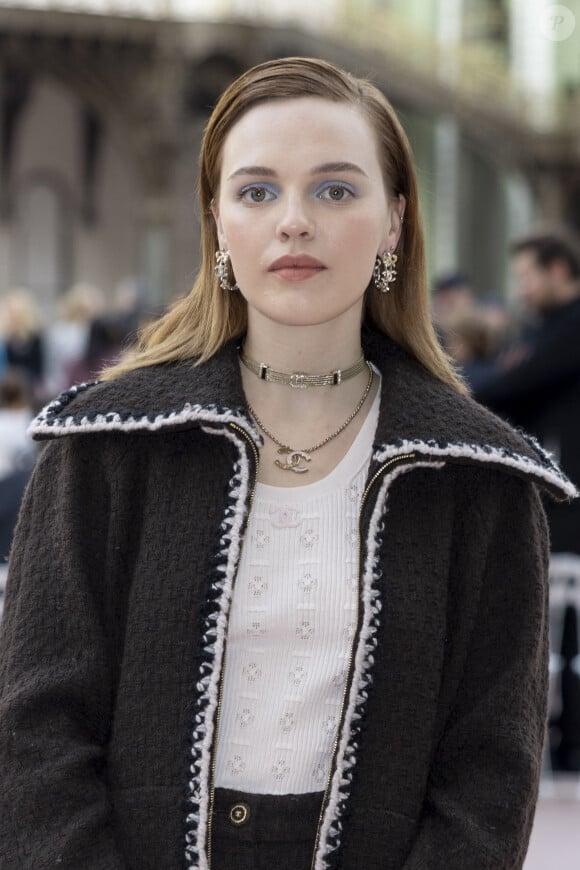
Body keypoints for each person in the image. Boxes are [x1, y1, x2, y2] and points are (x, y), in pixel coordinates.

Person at [0, 58, 576, 870]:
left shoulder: (479, 479)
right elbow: (35, 731)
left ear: (394, 222)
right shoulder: (109, 448)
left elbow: (489, 774)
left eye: (336, 189)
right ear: (217, 221)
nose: (293, 221)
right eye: (258, 190)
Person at [475, 228, 580, 773]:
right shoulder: (545, 328)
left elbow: (515, 382)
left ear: (559, 269)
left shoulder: (570, 327)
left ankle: (571, 742)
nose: (521, 287)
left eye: (528, 274)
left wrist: (456, 381)